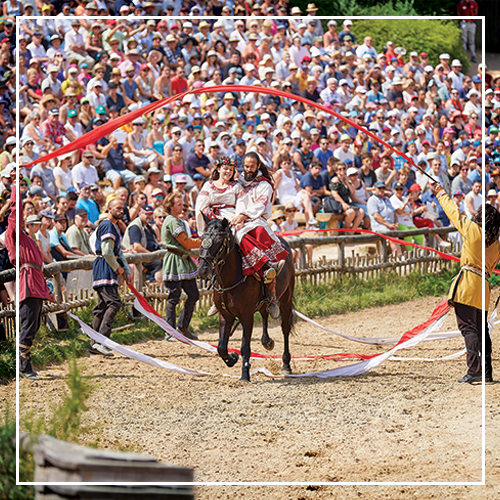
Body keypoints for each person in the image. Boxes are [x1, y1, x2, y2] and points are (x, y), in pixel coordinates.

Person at [435, 183, 500, 383]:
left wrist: (440, 193)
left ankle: (474, 370)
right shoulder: (496, 244)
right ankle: (486, 371)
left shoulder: (473, 230)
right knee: (481, 330)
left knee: (468, 328)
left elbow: (453, 212)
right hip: (484, 287)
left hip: (468, 285)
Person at [231, 152, 289, 319]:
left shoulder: (265, 184)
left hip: (255, 221)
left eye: (252, 166)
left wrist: (243, 216)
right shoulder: (238, 182)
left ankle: (271, 294)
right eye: (246, 166)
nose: (249, 169)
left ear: (257, 166)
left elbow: (260, 205)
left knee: (250, 233)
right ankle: (218, 291)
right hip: (236, 221)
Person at [5, 180, 52, 380]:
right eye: (32, 223)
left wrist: (46, 291)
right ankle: (22, 366)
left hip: (36, 283)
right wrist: (16, 188)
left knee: (33, 324)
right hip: (27, 283)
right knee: (28, 324)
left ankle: (24, 364)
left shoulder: (32, 241)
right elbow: (15, 214)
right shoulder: (17, 237)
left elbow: (39, 269)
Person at [91, 198, 132, 356]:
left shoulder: (113, 226)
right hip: (105, 267)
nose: (121, 211)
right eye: (117, 208)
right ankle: (102, 341)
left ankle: (94, 344)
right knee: (114, 303)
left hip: (106, 265)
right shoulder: (107, 224)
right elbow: (107, 251)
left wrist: (126, 270)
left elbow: (118, 252)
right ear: (109, 209)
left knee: (102, 307)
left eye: (122, 208)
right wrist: (118, 268)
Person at [162, 191, 201, 341]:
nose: (182, 207)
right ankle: (169, 331)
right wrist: (202, 241)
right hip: (174, 260)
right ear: (171, 207)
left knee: (194, 294)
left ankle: (182, 327)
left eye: (182, 204)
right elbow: (185, 242)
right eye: (178, 204)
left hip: (183, 261)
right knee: (174, 296)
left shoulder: (177, 220)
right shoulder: (171, 220)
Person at [122, 204, 163, 284]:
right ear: (140, 214)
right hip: (135, 256)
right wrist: (152, 256)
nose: (149, 216)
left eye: (150, 214)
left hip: (145, 255)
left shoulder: (148, 226)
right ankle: (162, 288)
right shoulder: (135, 226)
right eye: (146, 214)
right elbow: (137, 247)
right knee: (159, 263)